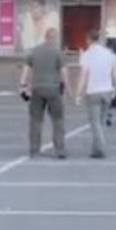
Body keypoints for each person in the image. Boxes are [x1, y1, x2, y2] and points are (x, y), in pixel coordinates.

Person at [20, 28, 72, 159]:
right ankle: (59, 150)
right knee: (58, 120)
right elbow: (64, 73)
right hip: (53, 89)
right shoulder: (58, 53)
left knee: (36, 120)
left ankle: (34, 149)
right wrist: (69, 90)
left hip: (37, 88)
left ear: (45, 37)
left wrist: (23, 86)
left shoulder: (35, 51)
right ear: (55, 38)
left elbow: (26, 69)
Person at [75, 29, 116, 159]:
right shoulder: (109, 54)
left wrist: (78, 94)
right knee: (102, 121)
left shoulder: (86, 55)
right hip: (107, 90)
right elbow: (114, 72)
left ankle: (100, 147)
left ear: (88, 40)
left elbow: (83, 76)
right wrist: (114, 87)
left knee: (95, 122)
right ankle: (95, 148)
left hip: (93, 91)